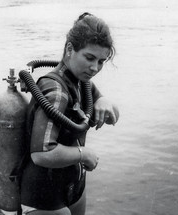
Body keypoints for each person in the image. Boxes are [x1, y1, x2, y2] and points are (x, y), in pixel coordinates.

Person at [20, 12, 119, 215]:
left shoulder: (80, 81)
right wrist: (85, 154)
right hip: (44, 198)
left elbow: (111, 113)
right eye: (89, 58)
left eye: (101, 61)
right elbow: (41, 153)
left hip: (70, 187)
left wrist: (104, 100)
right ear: (69, 49)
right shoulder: (56, 90)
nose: (94, 68)